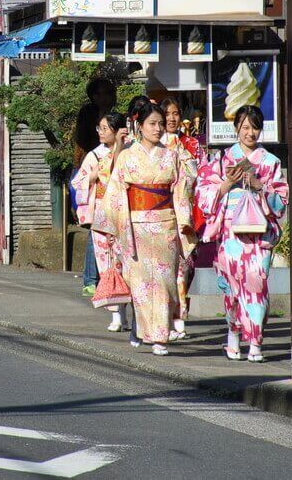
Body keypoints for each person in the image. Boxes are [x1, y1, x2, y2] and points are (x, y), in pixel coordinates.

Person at [96, 103, 197, 356]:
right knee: (140, 283)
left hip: (166, 225)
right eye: (152, 123)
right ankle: (148, 332)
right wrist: (114, 228)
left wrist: (183, 220)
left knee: (165, 283)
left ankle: (160, 336)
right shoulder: (128, 156)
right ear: (139, 126)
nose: (158, 128)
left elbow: (181, 189)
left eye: (161, 124)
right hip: (136, 226)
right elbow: (116, 193)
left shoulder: (172, 155)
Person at [197, 105, 288, 363]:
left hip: (259, 233)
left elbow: (281, 200)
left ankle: (255, 343)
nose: (250, 133)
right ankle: (233, 333)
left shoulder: (270, 162)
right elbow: (203, 192)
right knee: (233, 287)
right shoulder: (221, 159)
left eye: (255, 127)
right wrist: (226, 185)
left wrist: (260, 186)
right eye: (245, 127)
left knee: (256, 284)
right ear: (236, 127)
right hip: (230, 231)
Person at [71, 112, 129, 330]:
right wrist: (93, 177)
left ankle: (127, 312)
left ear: (117, 130)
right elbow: (78, 182)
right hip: (102, 214)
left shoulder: (131, 151)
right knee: (106, 264)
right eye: (100, 128)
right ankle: (116, 314)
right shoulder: (94, 155)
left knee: (126, 264)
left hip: (124, 214)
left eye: (105, 128)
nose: (101, 133)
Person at [160, 96, 206, 340]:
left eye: (176, 113)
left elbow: (201, 177)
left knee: (186, 267)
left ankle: (180, 314)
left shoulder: (192, 145)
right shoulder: (152, 145)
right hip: (161, 213)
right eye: (166, 114)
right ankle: (167, 318)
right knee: (164, 268)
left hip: (187, 213)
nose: (171, 118)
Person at [73, 78, 118, 297]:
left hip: (113, 188)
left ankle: (109, 276)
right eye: (100, 94)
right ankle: (91, 278)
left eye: (108, 93)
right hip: (93, 175)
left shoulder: (116, 117)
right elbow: (81, 139)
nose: (104, 98)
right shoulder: (87, 114)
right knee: (96, 232)